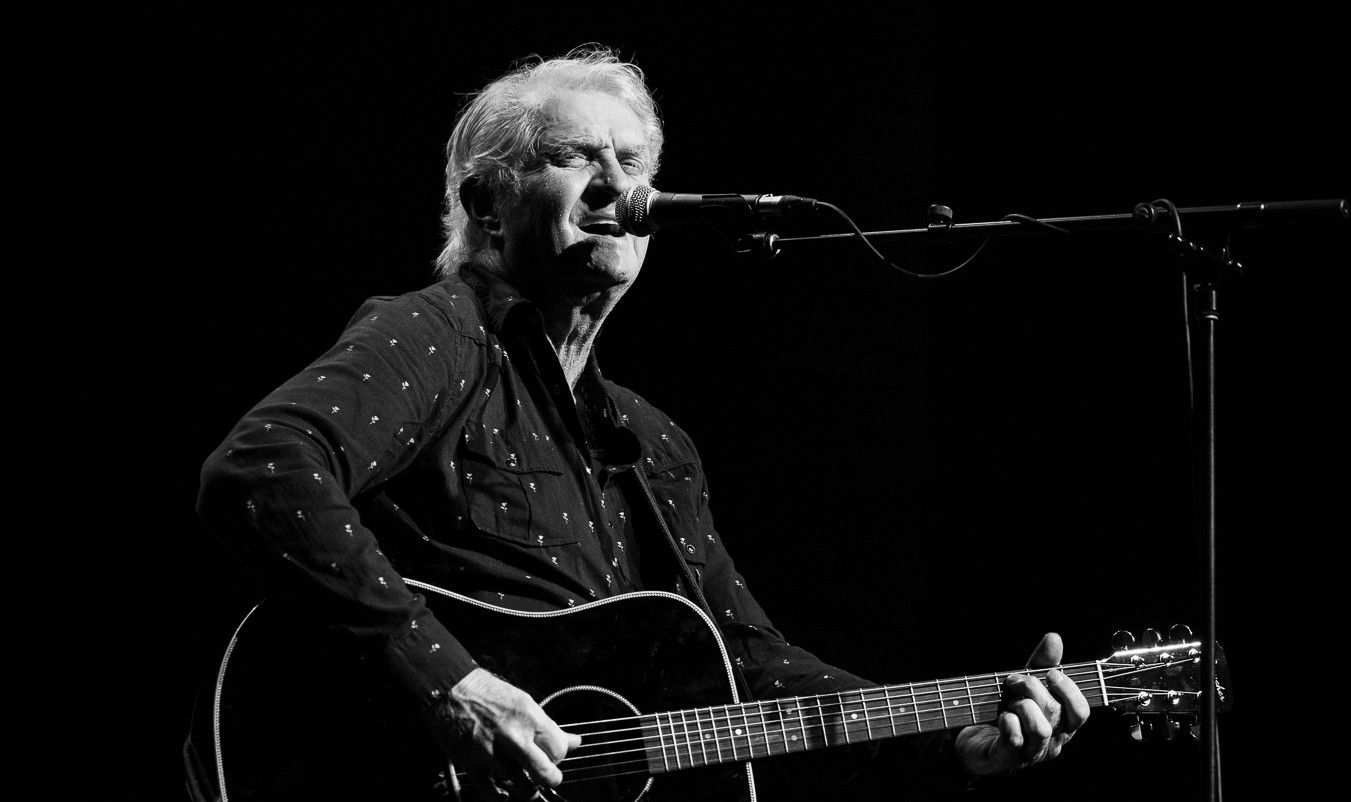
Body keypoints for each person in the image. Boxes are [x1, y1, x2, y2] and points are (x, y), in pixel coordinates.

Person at [197, 46, 1088, 800]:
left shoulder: (651, 442)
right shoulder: (441, 334)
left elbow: (746, 665)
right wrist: (450, 685)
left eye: (632, 163)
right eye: (574, 157)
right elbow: (265, 467)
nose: (616, 186)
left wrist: (953, 738)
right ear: (486, 204)